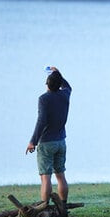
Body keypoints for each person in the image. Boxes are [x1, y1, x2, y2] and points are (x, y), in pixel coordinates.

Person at [26, 66, 72, 205]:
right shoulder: (65, 95)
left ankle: (44, 208)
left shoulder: (43, 99)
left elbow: (41, 121)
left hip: (46, 143)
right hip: (61, 142)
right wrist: (58, 73)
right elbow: (67, 86)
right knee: (60, 176)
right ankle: (63, 206)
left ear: (47, 84)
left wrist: (32, 142)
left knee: (45, 178)